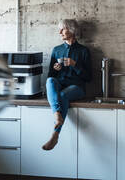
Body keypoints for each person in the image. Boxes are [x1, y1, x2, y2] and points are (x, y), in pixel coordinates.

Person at [42, 19, 92, 151]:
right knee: (50, 81)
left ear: (72, 31)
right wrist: (55, 69)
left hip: (77, 87)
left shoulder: (83, 51)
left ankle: (55, 134)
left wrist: (75, 65)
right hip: (59, 84)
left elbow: (89, 78)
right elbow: (50, 76)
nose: (60, 32)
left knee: (63, 95)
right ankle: (57, 115)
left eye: (62, 29)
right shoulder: (57, 50)